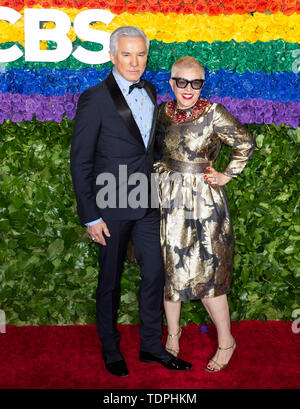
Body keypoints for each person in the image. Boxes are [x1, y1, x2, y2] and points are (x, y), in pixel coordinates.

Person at [70, 27, 192, 377]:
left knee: (155, 273)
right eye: (127, 54)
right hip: (109, 201)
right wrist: (91, 215)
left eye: (141, 54)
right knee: (110, 279)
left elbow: (149, 147)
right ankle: (110, 349)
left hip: (147, 199)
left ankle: (151, 346)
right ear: (112, 56)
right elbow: (80, 161)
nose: (135, 62)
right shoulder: (94, 98)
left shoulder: (151, 90)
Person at [154, 56, 255, 373]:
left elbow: (244, 142)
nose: (188, 89)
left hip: (202, 201)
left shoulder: (214, 113)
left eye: (195, 82)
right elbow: (156, 149)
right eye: (181, 82)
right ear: (172, 82)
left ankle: (227, 341)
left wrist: (228, 174)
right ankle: (173, 335)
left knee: (209, 271)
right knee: (168, 268)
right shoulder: (162, 112)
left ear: (202, 84)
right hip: (167, 196)